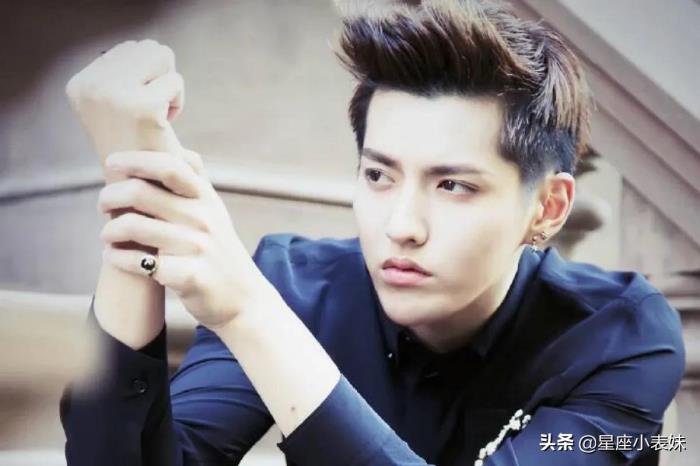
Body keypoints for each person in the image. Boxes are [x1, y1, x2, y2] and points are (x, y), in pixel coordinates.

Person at [59, 1, 685, 465]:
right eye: (379, 176)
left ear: (548, 207)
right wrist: (137, 201)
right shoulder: (294, 285)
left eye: (453, 185)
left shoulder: (622, 336)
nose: (401, 227)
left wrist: (250, 315)